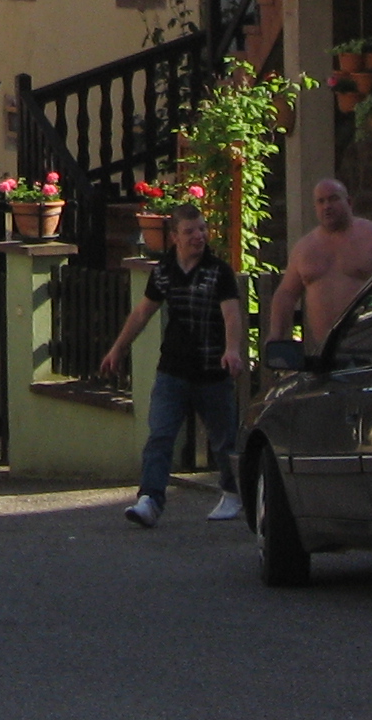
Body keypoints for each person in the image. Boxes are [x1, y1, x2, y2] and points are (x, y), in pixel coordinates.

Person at [100, 208, 246, 527]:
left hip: (211, 371)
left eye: (202, 229)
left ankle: (233, 492)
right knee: (161, 436)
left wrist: (232, 350)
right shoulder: (164, 271)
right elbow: (142, 312)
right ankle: (150, 500)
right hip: (173, 370)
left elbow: (232, 315)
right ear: (175, 237)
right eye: (190, 231)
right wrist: (118, 348)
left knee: (224, 440)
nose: (199, 236)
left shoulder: (218, 271)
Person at [266, 177, 372, 348]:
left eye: (333, 199)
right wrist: (276, 334)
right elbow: (286, 294)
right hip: (325, 350)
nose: (327, 206)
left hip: (371, 346)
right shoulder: (304, 248)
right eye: (321, 201)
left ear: (349, 202)